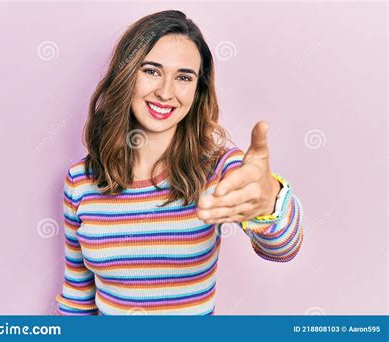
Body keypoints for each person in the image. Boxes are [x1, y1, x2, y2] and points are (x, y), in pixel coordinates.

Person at [55, 10, 303, 316]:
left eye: (183, 77)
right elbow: (77, 298)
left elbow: (282, 249)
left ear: (197, 91)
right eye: (151, 71)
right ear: (126, 74)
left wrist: (269, 200)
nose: (166, 92)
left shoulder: (220, 168)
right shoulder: (81, 181)